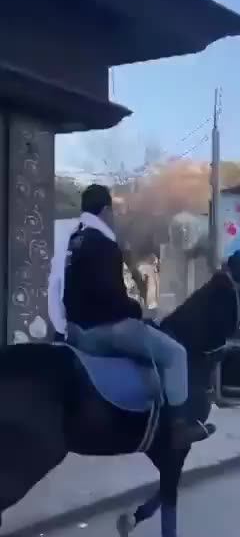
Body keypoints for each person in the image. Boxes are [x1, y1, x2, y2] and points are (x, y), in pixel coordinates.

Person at [49, 184, 208, 450]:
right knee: (176, 354)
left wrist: (64, 326)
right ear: (105, 210)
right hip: (109, 331)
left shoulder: (73, 242)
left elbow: (59, 287)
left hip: (78, 333)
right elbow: (109, 295)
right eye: (112, 211)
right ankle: (178, 428)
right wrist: (137, 310)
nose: (114, 216)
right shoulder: (105, 244)